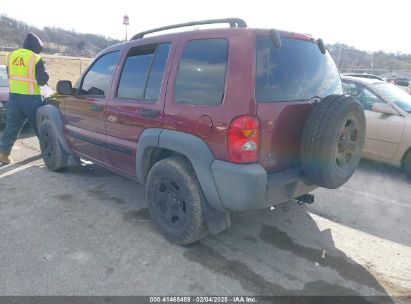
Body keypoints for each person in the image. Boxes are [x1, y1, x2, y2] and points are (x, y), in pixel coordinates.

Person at [0, 33, 49, 164]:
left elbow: (11, 74)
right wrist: (46, 73)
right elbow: (42, 81)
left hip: (14, 97)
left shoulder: (11, 56)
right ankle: (48, 152)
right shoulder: (36, 58)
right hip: (32, 99)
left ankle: (4, 154)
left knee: (11, 126)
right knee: (40, 126)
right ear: (36, 47)